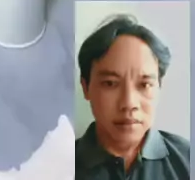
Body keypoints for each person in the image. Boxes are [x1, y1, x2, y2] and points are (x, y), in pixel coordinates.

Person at [75, 15, 190, 178]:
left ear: (159, 87)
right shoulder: (54, 166)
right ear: (86, 87)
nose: (129, 103)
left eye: (144, 84)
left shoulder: (187, 160)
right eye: (110, 83)